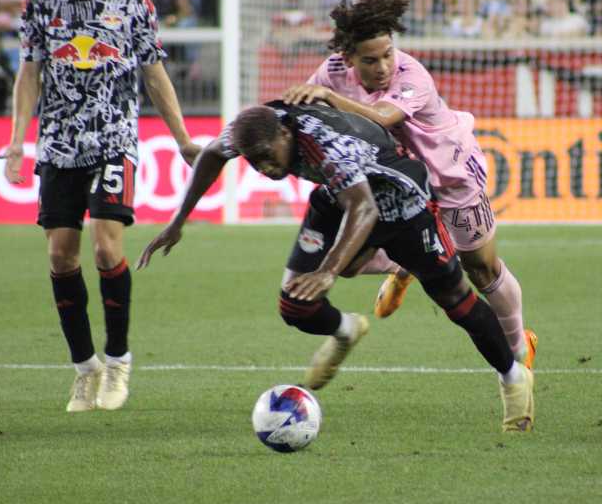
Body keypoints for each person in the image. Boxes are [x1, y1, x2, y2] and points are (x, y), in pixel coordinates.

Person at [137, 101, 536, 432]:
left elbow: (363, 208)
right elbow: (210, 154)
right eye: (254, 163)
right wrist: (177, 222)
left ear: (286, 136)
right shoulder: (255, 128)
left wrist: (328, 270)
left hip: (401, 204)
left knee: (454, 298)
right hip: (337, 196)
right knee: (295, 305)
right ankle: (347, 329)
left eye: (267, 158)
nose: (264, 169)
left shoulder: (328, 146)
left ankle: (513, 378)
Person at [1, 0, 201, 413]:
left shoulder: (135, 4)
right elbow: (30, 74)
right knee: (59, 256)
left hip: (114, 141)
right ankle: (84, 369)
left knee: (106, 248)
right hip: (60, 146)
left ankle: (117, 360)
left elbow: (155, 73)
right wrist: (19, 141)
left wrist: (181, 138)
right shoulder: (40, 5)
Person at [282, 0, 537, 370]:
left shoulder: (411, 75)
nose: (384, 65)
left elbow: (382, 118)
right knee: (349, 264)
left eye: (388, 53)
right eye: (371, 60)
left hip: (450, 174)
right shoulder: (332, 73)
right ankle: (405, 266)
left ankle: (518, 346)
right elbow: (308, 115)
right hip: (398, 180)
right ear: (349, 59)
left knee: (480, 268)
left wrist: (329, 99)